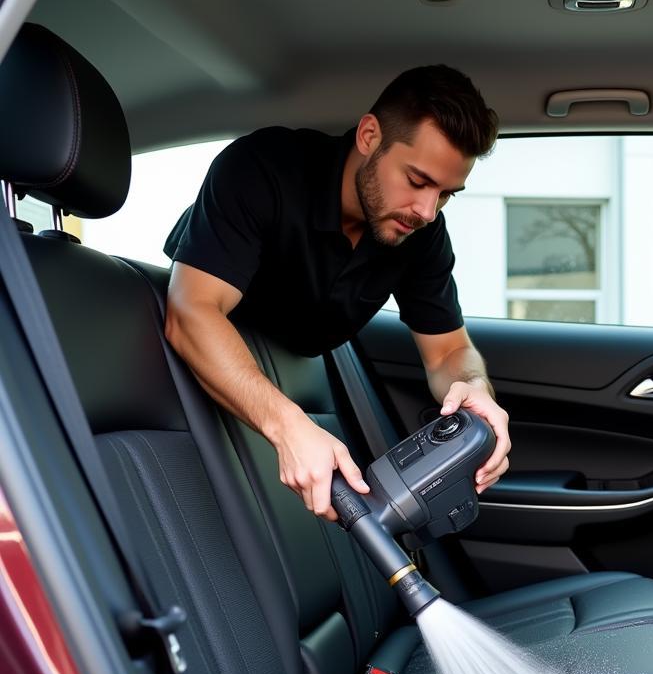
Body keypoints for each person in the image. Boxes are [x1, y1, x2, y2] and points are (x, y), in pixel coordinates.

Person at [163, 65, 510, 521]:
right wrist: (289, 425)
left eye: (446, 193)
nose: (427, 210)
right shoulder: (263, 169)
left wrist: (476, 390)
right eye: (417, 180)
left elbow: (448, 352)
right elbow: (192, 310)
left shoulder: (420, 233)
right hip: (197, 395)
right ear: (369, 135)